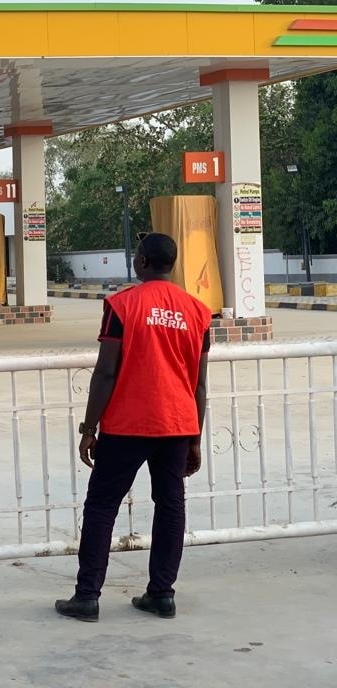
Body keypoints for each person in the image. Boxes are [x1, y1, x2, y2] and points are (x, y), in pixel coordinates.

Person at [55, 232, 211, 622]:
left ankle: (87, 597)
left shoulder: (122, 305)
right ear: (171, 264)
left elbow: (106, 372)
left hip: (128, 424)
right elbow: (199, 384)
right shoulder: (197, 310)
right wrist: (195, 437)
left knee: (102, 506)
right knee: (171, 507)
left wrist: (89, 427)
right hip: (177, 423)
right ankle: (162, 594)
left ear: (142, 261)